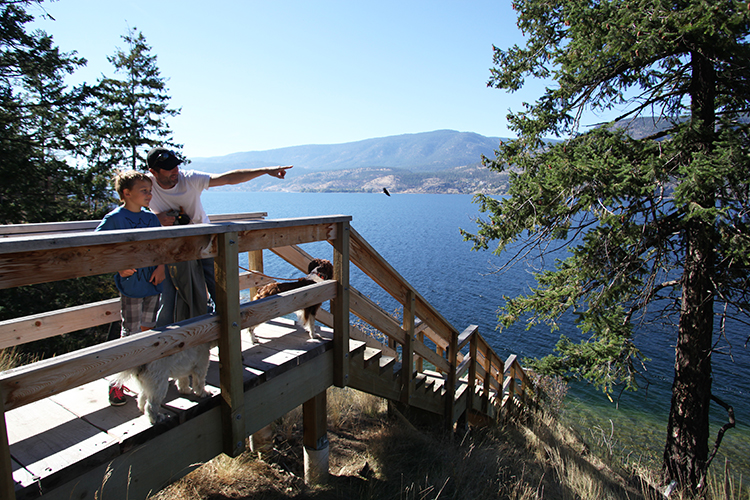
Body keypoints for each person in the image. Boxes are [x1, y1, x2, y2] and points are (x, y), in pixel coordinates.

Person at [145, 146, 291, 325]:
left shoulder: (189, 179)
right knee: (171, 298)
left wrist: (266, 171)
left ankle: (228, 337)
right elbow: (129, 208)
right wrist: (155, 218)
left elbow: (228, 178)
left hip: (204, 242)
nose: (175, 171)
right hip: (171, 249)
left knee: (221, 291)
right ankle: (177, 343)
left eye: (176, 166)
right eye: (168, 168)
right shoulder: (145, 186)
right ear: (153, 171)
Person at [96, 170, 166, 406]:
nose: (149, 194)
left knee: (149, 329)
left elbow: (161, 245)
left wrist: (161, 267)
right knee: (129, 333)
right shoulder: (114, 219)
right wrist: (118, 266)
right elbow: (96, 246)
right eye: (143, 191)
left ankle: (142, 378)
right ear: (126, 193)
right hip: (132, 285)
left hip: (153, 282)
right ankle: (116, 384)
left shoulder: (151, 218)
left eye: (150, 190)